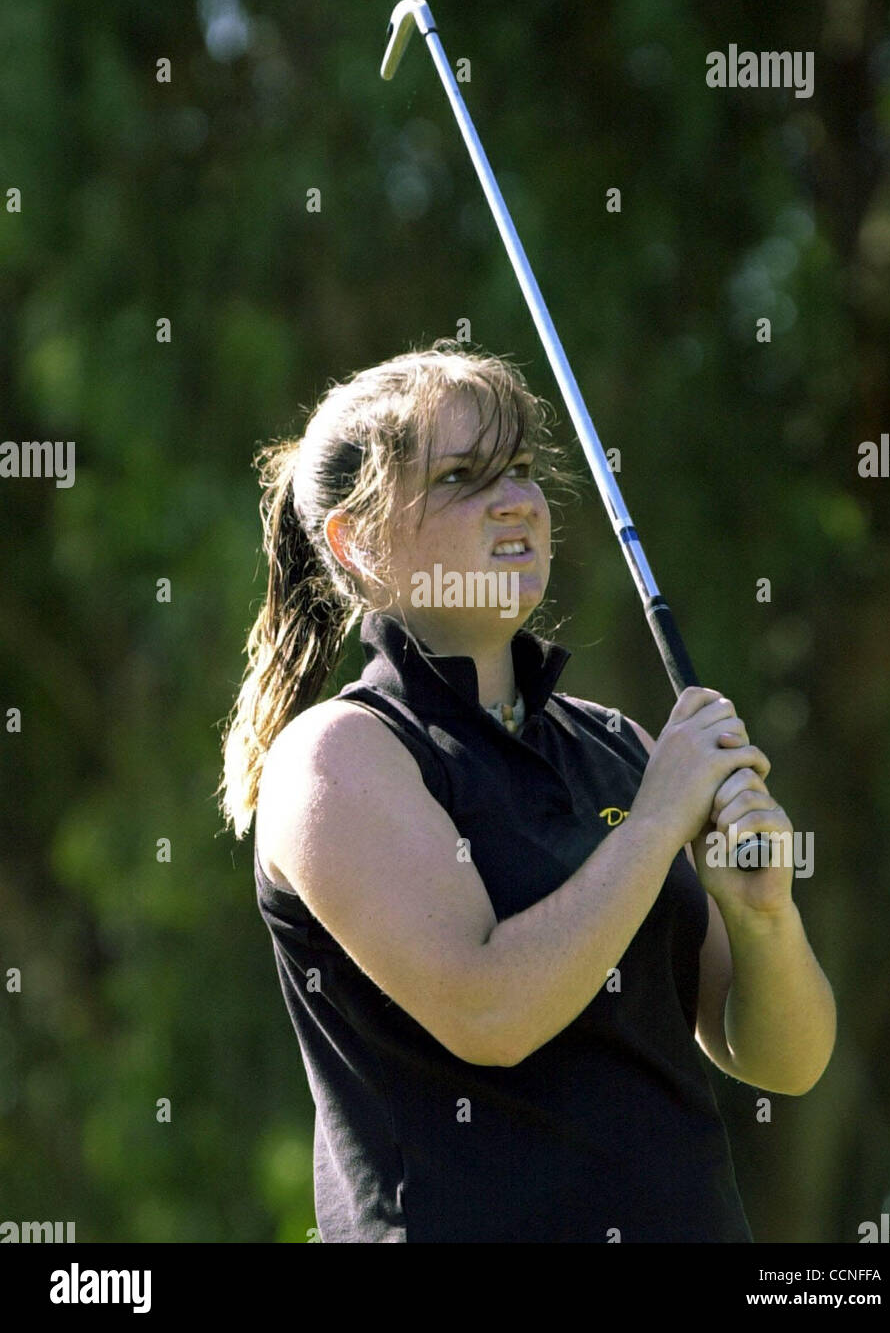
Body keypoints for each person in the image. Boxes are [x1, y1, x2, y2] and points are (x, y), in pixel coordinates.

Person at [218, 339, 836, 1243]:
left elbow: (784, 1061)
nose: (516, 502)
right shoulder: (338, 757)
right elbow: (491, 1011)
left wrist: (762, 917)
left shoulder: (614, 745)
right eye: (463, 478)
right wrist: (659, 822)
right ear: (356, 542)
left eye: (518, 470)